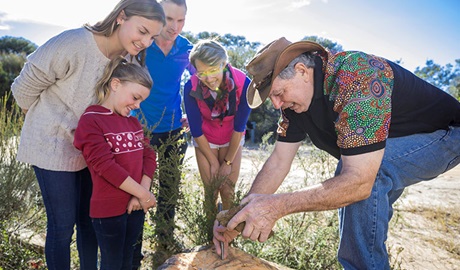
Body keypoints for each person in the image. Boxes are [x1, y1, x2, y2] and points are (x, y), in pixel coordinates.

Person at [213, 37, 460, 269]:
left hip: (447, 133)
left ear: (301, 71)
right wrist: (238, 217)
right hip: (392, 142)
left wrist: (277, 207)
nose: (277, 104)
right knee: (357, 178)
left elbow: (359, 182)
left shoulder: (356, 76)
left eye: (278, 93)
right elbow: (278, 162)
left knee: (359, 176)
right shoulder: (294, 106)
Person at [10, 1, 165, 269]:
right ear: (121, 17)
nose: (146, 42)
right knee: (62, 225)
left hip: (95, 152)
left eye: (152, 36)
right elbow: (23, 89)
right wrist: (44, 120)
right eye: (142, 31)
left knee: (89, 223)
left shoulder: (127, 61)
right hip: (53, 146)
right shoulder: (73, 43)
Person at [73, 56, 157, 270]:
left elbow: (149, 155)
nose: (137, 105)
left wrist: (142, 193)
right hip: (109, 209)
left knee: (129, 261)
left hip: (136, 205)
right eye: (135, 97)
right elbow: (105, 166)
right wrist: (143, 194)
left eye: (141, 102)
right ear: (116, 84)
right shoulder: (91, 119)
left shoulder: (132, 122)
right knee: (112, 264)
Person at [132, 0, 193, 263]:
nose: (175, 27)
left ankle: (164, 239)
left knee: (170, 186)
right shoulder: (142, 45)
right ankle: (133, 242)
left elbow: (202, 83)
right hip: (140, 128)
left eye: (181, 21)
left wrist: (192, 113)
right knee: (136, 186)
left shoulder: (188, 49)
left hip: (172, 130)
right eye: (169, 19)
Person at [184, 39, 252, 241]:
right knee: (211, 189)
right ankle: (208, 237)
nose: (208, 78)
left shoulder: (243, 83)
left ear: (223, 63)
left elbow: (240, 126)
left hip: (232, 136)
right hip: (206, 138)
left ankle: (229, 238)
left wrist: (227, 163)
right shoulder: (190, 87)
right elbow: (195, 129)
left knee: (228, 191)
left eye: (212, 70)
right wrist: (214, 162)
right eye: (201, 73)